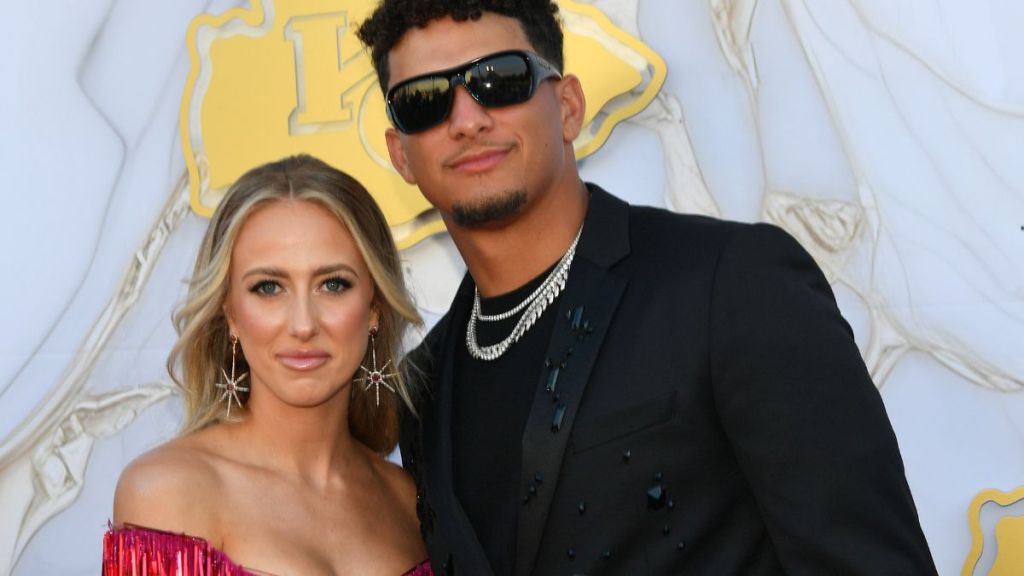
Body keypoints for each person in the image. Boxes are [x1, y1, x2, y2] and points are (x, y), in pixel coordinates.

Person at [356, 1, 938, 574]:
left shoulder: (731, 284)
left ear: (568, 107)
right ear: (401, 154)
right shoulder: (423, 392)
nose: (466, 119)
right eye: (425, 101)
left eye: (499, 81)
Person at [105, 155, 433, 576]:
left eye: (333, 284)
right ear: (231, 314)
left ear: (374, 307)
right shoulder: (166, 492)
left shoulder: (408, 500)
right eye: (268, 287)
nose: (303, 325)